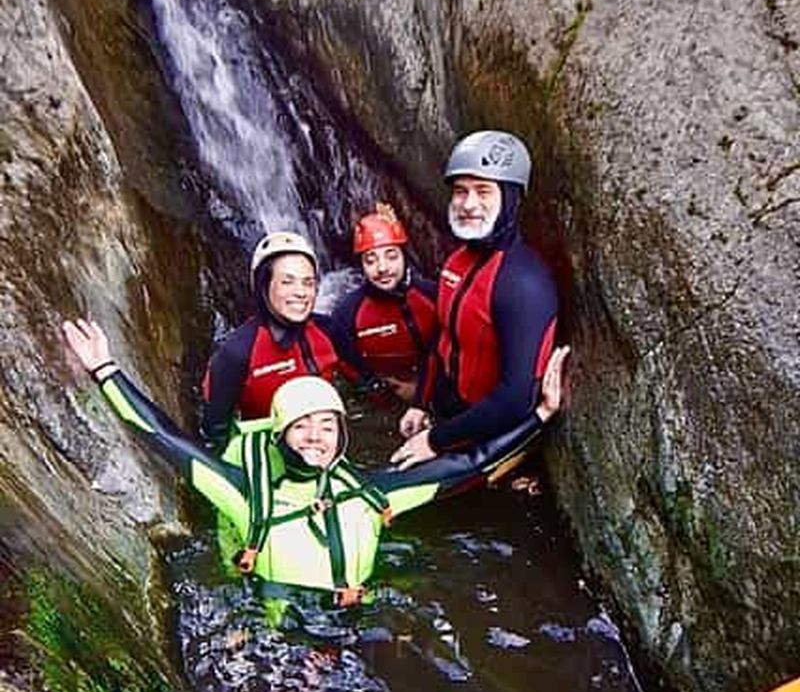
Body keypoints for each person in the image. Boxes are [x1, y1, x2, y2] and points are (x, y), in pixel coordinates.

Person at [62, 318, 569, 606]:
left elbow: (471, 466)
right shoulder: (244, 495)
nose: (315, 437)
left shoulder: (374, 495)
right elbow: (166, 439)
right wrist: (106, 370)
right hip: (278, 646)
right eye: (301, 427)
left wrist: (543, 414)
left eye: (327, 426)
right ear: (280, 434)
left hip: (357, 626)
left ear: (343, 435)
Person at [392, 130, 559, 469]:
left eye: (483, 191)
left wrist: (436, 441)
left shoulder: (523, 282)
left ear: (510, 198)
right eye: (460, 191)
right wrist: (420, 404)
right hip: (450, 419)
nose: (468, 204)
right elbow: (440, 339)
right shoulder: (458, 262)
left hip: (489, 436)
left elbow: (515, 399)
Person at [200, 230, 344, 453]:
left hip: (322, 447)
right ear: (263, 286)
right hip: (265, 454)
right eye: (288, 282)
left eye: (308, 283)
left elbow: (362, 378)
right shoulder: (237, 353)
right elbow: (214, 434)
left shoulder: (329, 330)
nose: (301, 293)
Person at [329, 203, 437, 403]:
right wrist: (382, 391)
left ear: (405, 257)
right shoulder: (346, 314)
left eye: (391, 256)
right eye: (371, 260)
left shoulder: (433, 297)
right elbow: (349, 367)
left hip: (434, 390)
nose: (382, 268)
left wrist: (421, 392)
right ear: (361, 265)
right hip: (383, 398)